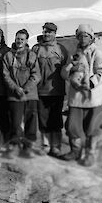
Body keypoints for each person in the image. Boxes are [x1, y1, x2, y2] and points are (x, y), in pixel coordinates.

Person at [60, 24, 102, 166]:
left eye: (86, 35)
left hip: (93, 98)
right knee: (72, 126)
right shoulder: (73, 54)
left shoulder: (97, 53)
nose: (83, 38)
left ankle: (90, 154)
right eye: (80, 36)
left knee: (92, 128)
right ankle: (75, 152)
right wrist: (70, 69)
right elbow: (65, 73)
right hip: (76, 98)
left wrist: (91, 83)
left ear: (91, 37)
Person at [3, 29, 41, 158]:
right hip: (14, 95)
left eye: (22, 39)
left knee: (31, 122)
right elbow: (5, 75)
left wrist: (25, 89)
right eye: (18, 38)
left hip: (30, 94)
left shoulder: (31, 55)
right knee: (15, 122)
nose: (19, 41)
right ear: (15, 39)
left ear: (26, 41)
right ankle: (14, 146)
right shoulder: (8, 56)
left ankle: (28, 147)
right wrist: (15, 88)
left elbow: (36, 75)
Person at [32, 22, 68, 157]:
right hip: (40, 91)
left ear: (54, 33)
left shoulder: (61, 49)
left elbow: (67, 69)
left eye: (50, 32)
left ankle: (56, 146)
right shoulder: (36, 49)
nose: (47, 34)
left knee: (56, 119)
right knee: (43, 119)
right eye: (45, 31)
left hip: (57, 91)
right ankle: (46, 145)